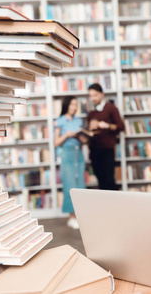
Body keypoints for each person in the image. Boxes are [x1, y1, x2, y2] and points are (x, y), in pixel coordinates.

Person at [54, 96, 87, 229]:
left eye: (76, 105)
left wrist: (83, 135)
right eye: (72, 104)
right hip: (67, 153)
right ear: (66, 105)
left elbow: (84, 140)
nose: (74, 107)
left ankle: (80, 216)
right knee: (70, 185)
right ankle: (71, 217)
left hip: (79, 153)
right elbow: (56, 142)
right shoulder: (59, 121)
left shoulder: (78, 120)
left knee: (80, 185)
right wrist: (67, 135)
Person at [87, 83, 125, 190]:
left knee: (109, 180)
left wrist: (106, 125)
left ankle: (114, 205)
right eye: (91, 96)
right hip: (94, 150)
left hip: (107, 150)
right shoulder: (91, 113)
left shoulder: (111, 108)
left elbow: (121, 127)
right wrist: (89, 129)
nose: (93, 98)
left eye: (95, 95)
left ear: (102, 94)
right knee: (100, 180)